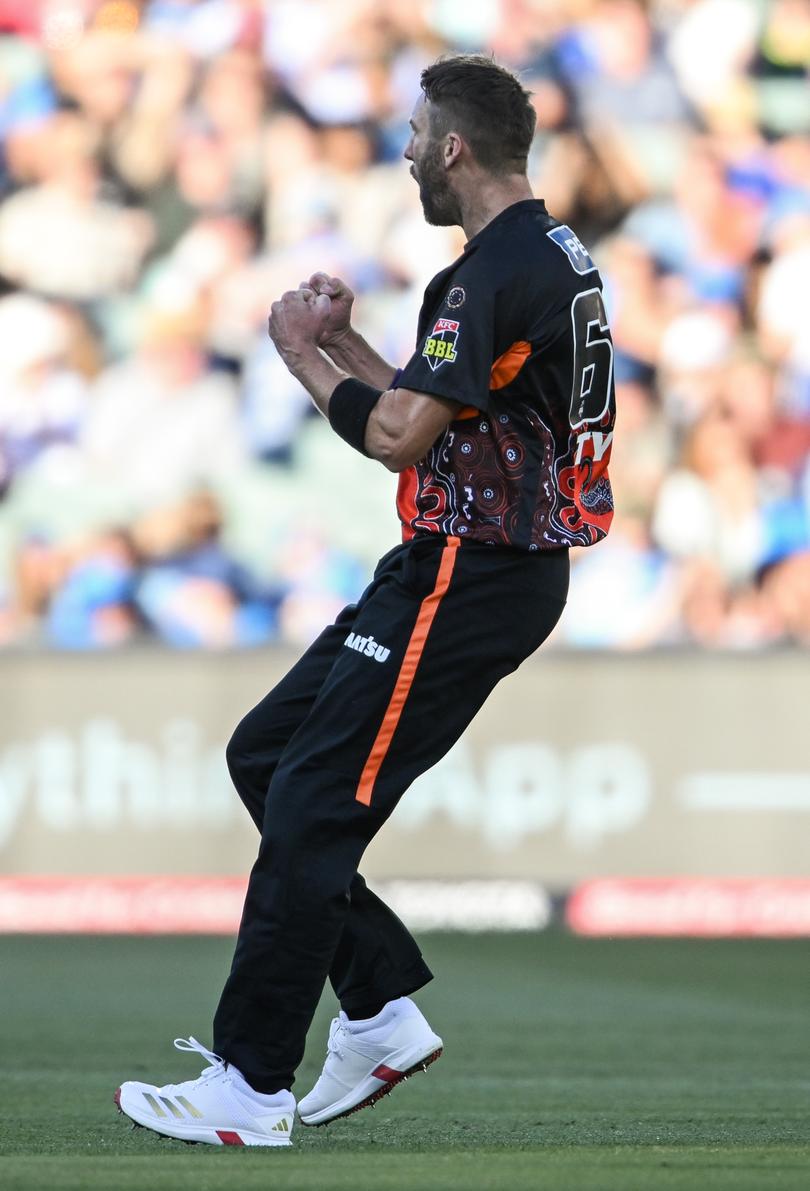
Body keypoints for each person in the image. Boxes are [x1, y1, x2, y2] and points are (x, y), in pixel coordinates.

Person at [115, 54, 616, 1148]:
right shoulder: (552, 258)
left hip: (470, 572)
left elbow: (398, 437)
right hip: (459, 560)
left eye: (413, 135)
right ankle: (379, 1004)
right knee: (267, 757)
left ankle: (250, 1087)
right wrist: (344, 343)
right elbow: (450, 412)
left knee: (312, 803)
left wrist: (300, 356)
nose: (402, 155)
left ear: (453, 148)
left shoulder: (487, 275)